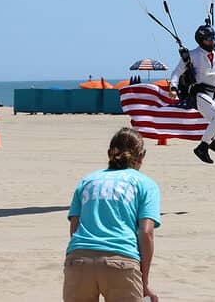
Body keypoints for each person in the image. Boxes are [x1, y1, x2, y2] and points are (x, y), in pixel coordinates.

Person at [63, 127, 160, 302]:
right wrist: (143, 281)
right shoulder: (146, 184)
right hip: (121, 260)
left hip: (78, 259)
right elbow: (146, 233)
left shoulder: (87, 181)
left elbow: (75, 227)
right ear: (141, 155)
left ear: (110, 153)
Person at [170, 20, 215, 164]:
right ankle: (202, 147)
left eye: (213, 38)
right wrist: (173, 88)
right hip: (200, 94)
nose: (212, 41)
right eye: (209, 39)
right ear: (201, 40)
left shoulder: (214, 53)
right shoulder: (192, 55)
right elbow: (176, 73)